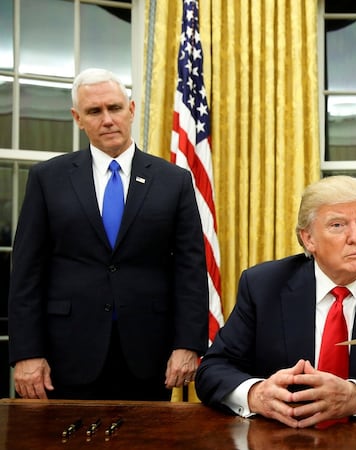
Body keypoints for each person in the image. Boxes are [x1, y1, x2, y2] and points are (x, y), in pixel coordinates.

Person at [8, 68, 209, 400]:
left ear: (130, 110)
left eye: (115, 108)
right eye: (94, 111)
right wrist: (26, 352)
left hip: (148, 355)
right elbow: (27, 272)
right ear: (77, 118)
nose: (107, 119)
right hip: (65, 353)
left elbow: (190, 269)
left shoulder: (173, 180)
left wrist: (187, 344)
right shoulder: (48, 178)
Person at [195, 175, 356, 428]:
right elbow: (213, 369)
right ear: (308, 239)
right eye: (338, 225)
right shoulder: (264, 286)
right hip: (284, 440)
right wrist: (256, 394)